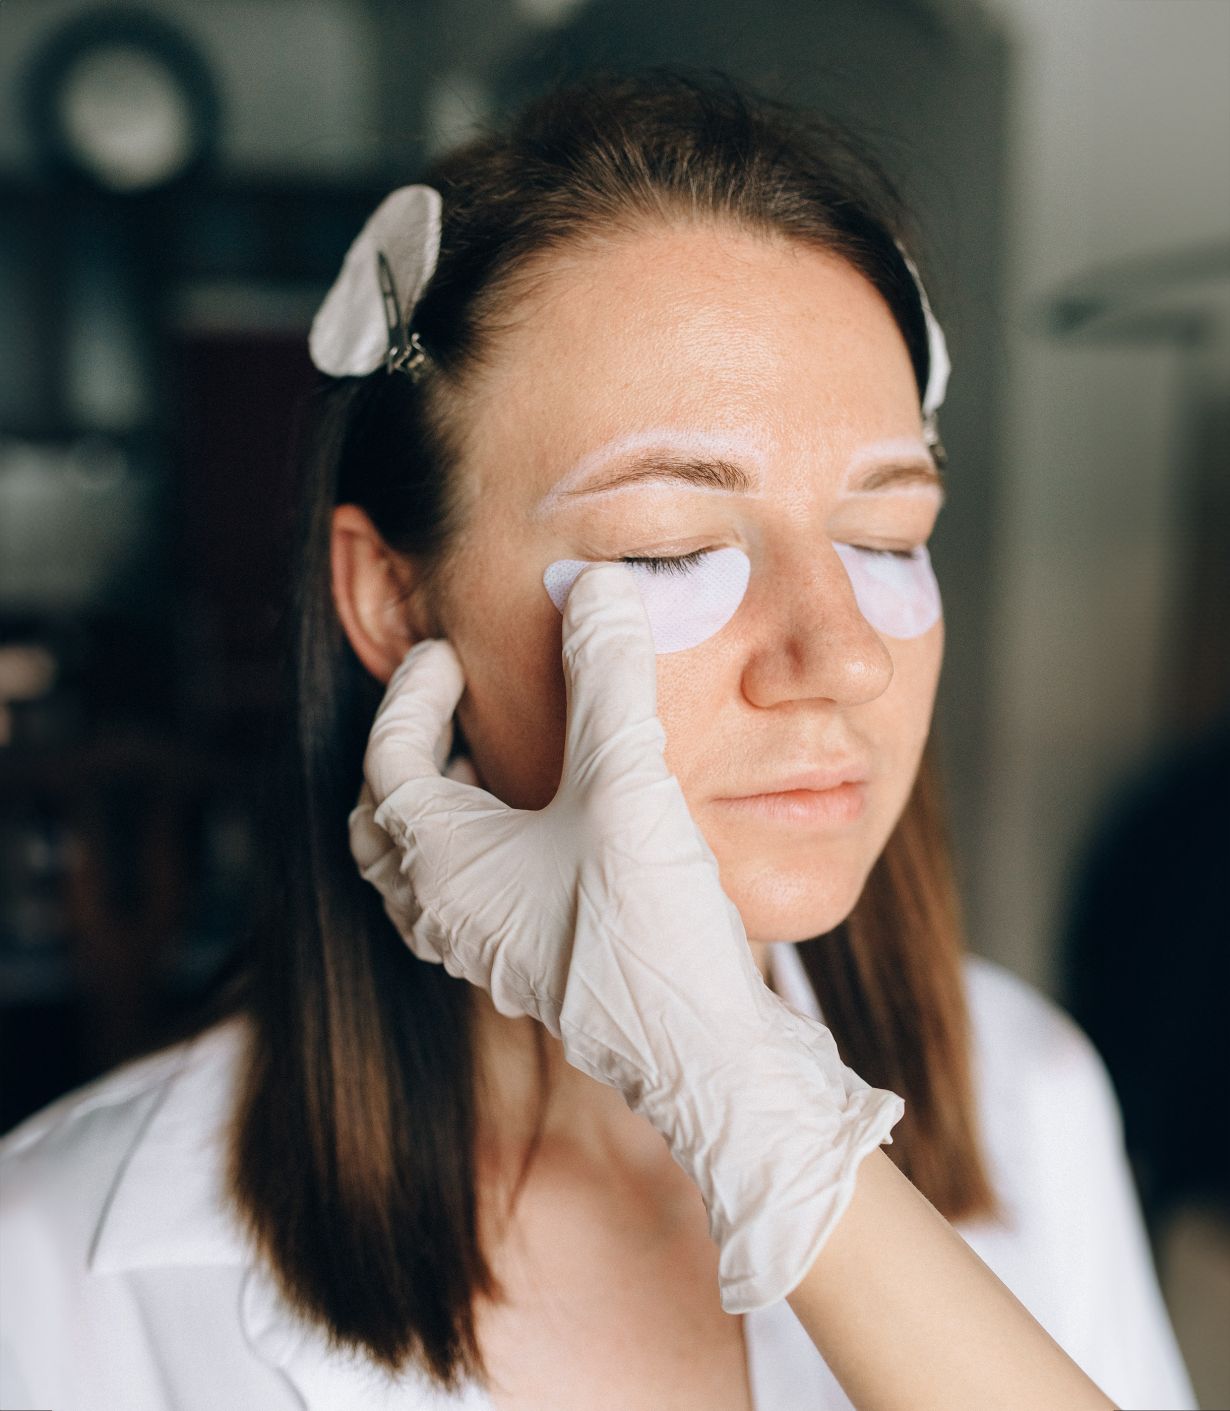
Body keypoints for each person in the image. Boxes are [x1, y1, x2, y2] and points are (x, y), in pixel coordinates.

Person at [0, 69, 1196, 1411]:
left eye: (885, 537)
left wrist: (751, 1106)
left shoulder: (1025, 1091)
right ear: (393, 599)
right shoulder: (55, 1264)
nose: (843, 654)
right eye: (669, 550)